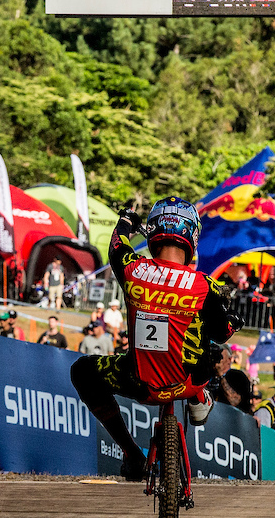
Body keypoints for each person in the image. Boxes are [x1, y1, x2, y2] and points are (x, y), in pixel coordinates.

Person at [71, 197, 243, 481]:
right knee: (203, 334)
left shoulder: (131, 269)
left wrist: (126, 222)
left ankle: (131, 453)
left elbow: (117, 244)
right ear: (192, 237)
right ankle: (200, 398)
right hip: (188, 383)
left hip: (141, 384)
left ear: (154, 231)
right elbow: (222, 333)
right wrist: (232, 323)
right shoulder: (204, 285)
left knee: (81, 370)